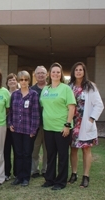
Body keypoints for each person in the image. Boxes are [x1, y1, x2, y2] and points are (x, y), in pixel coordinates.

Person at [40, 62, 76, 190]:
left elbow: (71, 107)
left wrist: (67, 125)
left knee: (62, 155)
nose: (55, 74)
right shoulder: (46, 89)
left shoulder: (66, 89)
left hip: (62, 128)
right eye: (53, 72)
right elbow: (42, 105)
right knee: (50, 155)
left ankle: (60, 182)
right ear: (49, 74)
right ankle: (49, 179)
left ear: (61, 75)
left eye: (58, 72)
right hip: (48, 127)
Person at [68, 62, 104, 188]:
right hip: (73, 123)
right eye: (76, 69)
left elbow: (99, 104)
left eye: (80, 70)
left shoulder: (90, 86)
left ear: (84, 72)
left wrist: (91, 119)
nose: (78, 72)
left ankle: (86, 176)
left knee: (86, 149)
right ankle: (74, 174)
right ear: (73, 72)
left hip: (85, 123)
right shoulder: (69, 86)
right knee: (73, 149)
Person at [9, 71, 40, 187]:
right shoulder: (15, 95)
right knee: (18, 153)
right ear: (18, 81)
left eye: (26, 79)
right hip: (16, 129)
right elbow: (11, 111)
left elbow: (36, 114)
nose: (23, 82)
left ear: (29, 81)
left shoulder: (34, 95)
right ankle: (18, 176)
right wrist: (10, 123)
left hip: (28, 130)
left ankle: (26, 178)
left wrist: (33, 129)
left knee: (27, 154)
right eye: (21, 80)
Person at [31, 66, 48, 178]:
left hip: (49, 124)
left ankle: (46, 170)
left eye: (43, 73)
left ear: (47, 75)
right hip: (35, 125)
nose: (41, 75)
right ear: (35, 75)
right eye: (38, 73)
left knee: (48, 149)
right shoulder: (31, 90)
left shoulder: (51, 88)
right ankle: (34, 170)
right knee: (34, 149)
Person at [4, 73, 19, 181]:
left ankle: (17, 172)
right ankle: (6, 172)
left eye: (14, 80)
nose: (12, 82)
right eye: (10, 80)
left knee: (17, 150)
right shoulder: (5, 93)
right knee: (6, 150)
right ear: (7, 83)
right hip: (5, 127)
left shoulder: (20, 93)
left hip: (17, 127)